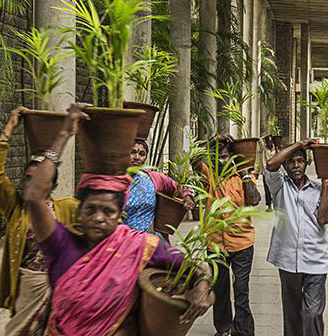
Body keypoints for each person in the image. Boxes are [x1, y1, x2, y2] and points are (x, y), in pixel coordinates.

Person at [23, 103, 213, 335]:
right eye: (91, 210)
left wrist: (202, 287)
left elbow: (197, 267)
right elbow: (34, 197)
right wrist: (64, 133)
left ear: (119, 213)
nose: (99, 218)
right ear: (79, 210)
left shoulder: (140, 246)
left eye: (109, 212)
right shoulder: (61, 245)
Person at [0, 105, 79, 336]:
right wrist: (10, 127)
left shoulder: (66, 208)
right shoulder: (16, 208)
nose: (31, 183)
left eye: (39, 179)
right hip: (27, 287)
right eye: (27, 178)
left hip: (60, 287)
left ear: (52, 185)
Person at [263, 139, 328, 336]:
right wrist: (300, 144)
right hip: (287, 260)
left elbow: (324, 218)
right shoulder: (279, 186)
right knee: (292, 314)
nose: (296, 165)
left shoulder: (317, 190)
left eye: (300, 161)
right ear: (286, 165)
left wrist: (326, 186)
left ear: (307, 164)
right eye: (291, 161)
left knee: (312, 312)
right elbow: (271, 165)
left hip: (315, 259)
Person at [201, 135, 261, 336]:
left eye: (226, 155)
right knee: (220, 290)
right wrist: (212, 140)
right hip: (215, 245)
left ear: (233, 157)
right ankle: (223, 328)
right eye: (218, 156)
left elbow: (254, 200)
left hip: (242, 244)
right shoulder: (210, 176)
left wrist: (243, 170)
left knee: (241, 291)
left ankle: (243, 331)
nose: (222, 160)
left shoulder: (243, 177)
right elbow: (193, 157)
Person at [124, 139, 195, 237]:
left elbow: (179, 188)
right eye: (133, 152)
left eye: (142, 154)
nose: (137, 157)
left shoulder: (154, 178)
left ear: (145, 157)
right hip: (122, 240)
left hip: (148, 239)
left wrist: (187, 196)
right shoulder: (117, 179)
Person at [260, 135, 279, 212]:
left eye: (271, 141)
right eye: (268, 141)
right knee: (267, 189)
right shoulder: (264, 149)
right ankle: (269, 205)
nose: (269, 143)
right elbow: (260, 141)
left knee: (276, 189)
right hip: (266, 172)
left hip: (275, 172)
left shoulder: (276, 150)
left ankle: (277, 205)